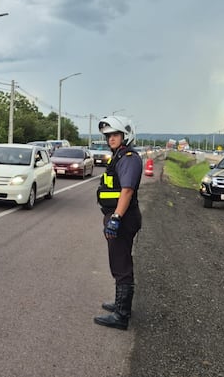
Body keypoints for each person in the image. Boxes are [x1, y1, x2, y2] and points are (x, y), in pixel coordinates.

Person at [94, 116, 142, 330]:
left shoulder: (129, 158)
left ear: (126, 135)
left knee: (121, 265)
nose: (110, 139)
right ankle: (120, 305)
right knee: (119, 262)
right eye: (108, 136)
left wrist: (116, 218)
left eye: (114, 135)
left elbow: (128, 190)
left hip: (122, 219)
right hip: (119, 217)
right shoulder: (119, 156)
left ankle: (121, 316)